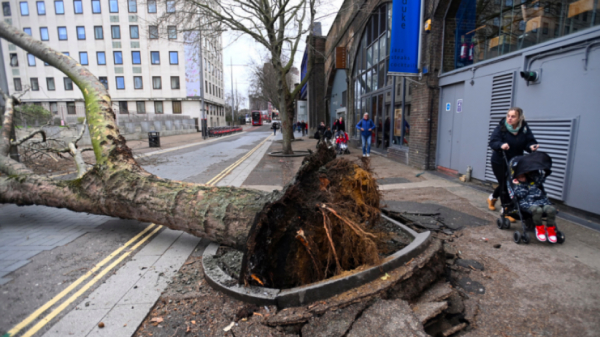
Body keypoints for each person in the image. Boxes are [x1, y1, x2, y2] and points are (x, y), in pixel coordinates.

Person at [488, 107, 539, 220]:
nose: (509, 119)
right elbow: (493, 142)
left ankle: (492, 198)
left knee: (511, 183)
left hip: (515, 161)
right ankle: (507, 210)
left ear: (519, 118)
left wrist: (531, 146)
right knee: (505, 184)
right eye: (508, 116)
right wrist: (501, 145)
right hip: (500, 160)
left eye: (513, 116)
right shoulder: (501, 128)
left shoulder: (524, 128)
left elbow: (529, 141)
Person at [513, 172, 558, 243]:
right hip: (528, 204)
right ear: (516, 179)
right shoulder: (517, 186)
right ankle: (539, 228)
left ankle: (550, 229)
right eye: (519, 177)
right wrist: (519, 184)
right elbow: (521, 194)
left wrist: (545, 173)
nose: (522, 178)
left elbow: (540, 181)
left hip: (541, 201)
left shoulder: (533, 182)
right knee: (538, 210)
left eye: (523, 176)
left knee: (551, 210)